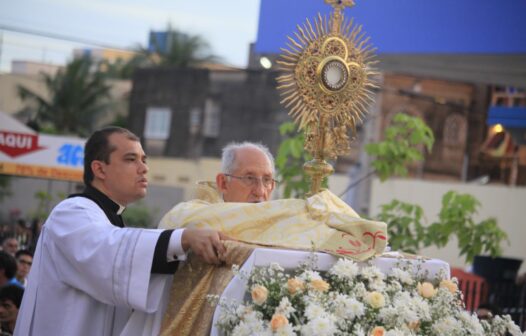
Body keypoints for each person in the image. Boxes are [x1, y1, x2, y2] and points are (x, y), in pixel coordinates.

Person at [15, 127, 228, 336]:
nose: (143, 168)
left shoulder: (108, 219)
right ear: (99, 169)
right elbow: (109, 250)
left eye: (144, 159)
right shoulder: (71, 213)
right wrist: (184, 237)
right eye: (130, 159)